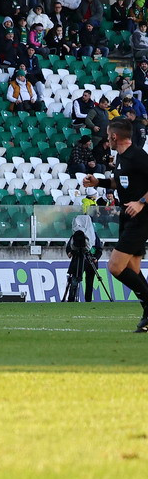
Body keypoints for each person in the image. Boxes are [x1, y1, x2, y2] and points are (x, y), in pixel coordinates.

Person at [82, 118, 148, 332]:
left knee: (115, 267)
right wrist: (98, 182)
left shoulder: (138, 156)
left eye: (108, 134)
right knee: (133, 269)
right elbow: (119, 183)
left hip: (142, 217)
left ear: (114, 136)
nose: (106, 138)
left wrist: (141, 202)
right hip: (127, 216)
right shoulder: (121, 156)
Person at [65, 213, 103, 303]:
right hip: (78, 258)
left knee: (89, 282)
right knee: (74, 280)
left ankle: (88, 300)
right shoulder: (77, 234)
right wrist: (69, 252)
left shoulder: (93, 235)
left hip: (90, 260)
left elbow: (99, 248)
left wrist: (96, 258)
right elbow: (70, 246)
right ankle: (71, 298)